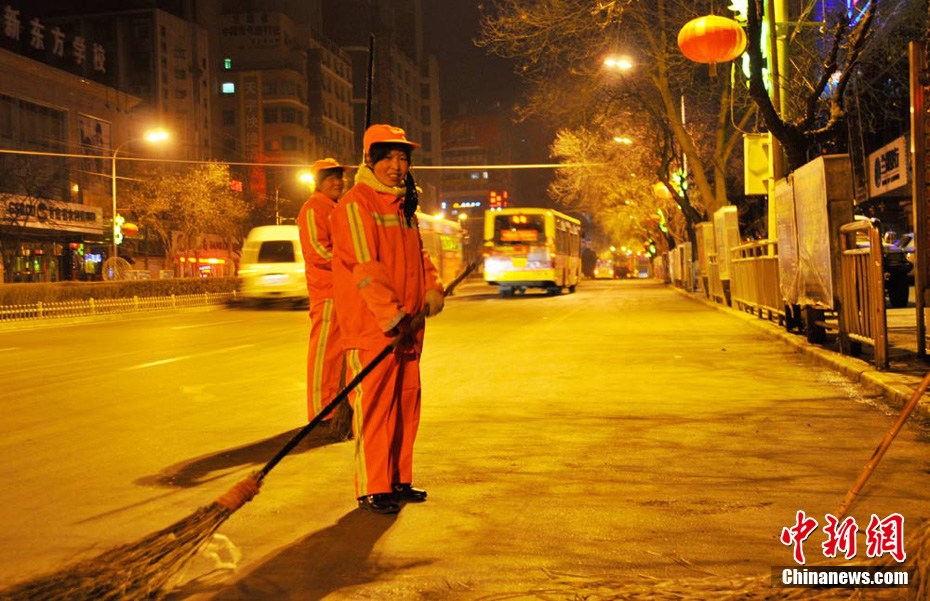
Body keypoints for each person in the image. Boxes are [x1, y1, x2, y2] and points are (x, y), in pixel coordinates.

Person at [330, 124, 444, 514]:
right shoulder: (356, 204)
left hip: (409, 327)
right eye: (389, 158)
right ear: (370, 160)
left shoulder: (403, 206)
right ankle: (373, 486)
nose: (397, 166)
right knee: (377, 407)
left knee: (405, 402)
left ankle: (398, 478)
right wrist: (390, 317)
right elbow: (365, 268)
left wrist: (433, 287)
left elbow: (419, 257)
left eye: (403, 158)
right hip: (375, 328)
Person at [297, 158, 352, 427]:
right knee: (325, 354)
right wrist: (350, 264)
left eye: (339, 177)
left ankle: (336, 405)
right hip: (327, 290)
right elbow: (317, 250)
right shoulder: (313, 208)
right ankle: (321, 410)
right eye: (330, 178)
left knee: (342, 354)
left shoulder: (339, 208)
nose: (337, 182)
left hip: (345, 290)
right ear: (318, 182)